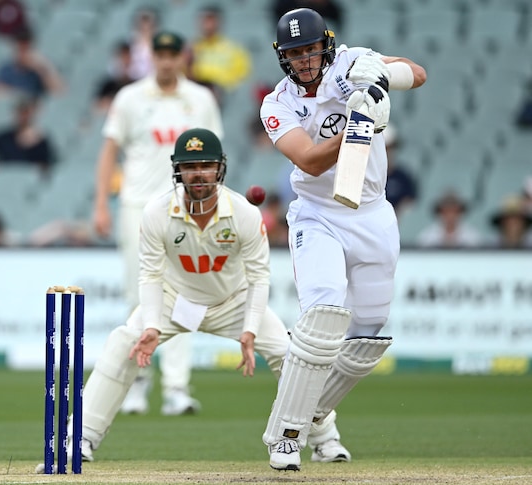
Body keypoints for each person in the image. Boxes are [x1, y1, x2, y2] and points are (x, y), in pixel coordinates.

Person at [70, 128, 348, 463]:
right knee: (124, 342)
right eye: (190, 166)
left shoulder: (244, 213)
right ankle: (80, 438)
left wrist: (249, 329)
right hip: (176, 298)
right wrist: (152, 326)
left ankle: (325, 440)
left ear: (220, 168)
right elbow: (151, 275)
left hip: (233, 301)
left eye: (206, 165)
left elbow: (259, 277)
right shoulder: (156, 212)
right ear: (177, 170)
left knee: (290, 355)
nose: (198, 173)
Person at [259, 8, 426, 471]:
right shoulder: (276, 104)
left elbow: (418, 73)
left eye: (311, 49)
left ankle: (308, 414)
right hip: (318, 214)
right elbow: (310, 161)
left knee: (368, 334)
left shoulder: (353, 62)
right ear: (282, 57)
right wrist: (361, 120)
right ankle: (285, 437)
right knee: (323, 317)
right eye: (295, 53)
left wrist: (381, 80)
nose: (304, 60)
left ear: (326, 46)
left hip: (373, 213)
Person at [92, 31, 223, 416]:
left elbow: (216, 157)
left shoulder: (200, 99)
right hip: (137, 206)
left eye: (172, 54)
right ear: (152, 57)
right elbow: (109, 151)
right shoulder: (130, 98)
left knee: (185, 296)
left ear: (182, 57)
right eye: (160, 54)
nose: (166, 61)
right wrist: (101, 204)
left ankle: (176, 388)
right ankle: (137, 382)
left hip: (187, 208)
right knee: (139, 296)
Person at [188, 5, 252, 94]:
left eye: (211, 19)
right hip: (197, 91)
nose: (208, 24)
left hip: (225, 94)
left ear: (220, 22)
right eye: (204, 20)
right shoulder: (191, 48)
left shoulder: (234, 49)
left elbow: (243, 76)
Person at [0, 28, 63, 100]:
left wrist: (42, 69)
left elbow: (58, 91)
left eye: (26, 49)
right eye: (20, 49)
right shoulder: (5, 69)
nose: (23, 54)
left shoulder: (41, 69)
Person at [416, 190, 482, 248]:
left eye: (454, 211)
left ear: (460, 212)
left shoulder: (472, 237)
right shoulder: (427, 237)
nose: (450, 215)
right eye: (446, 211)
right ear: (440, 212)